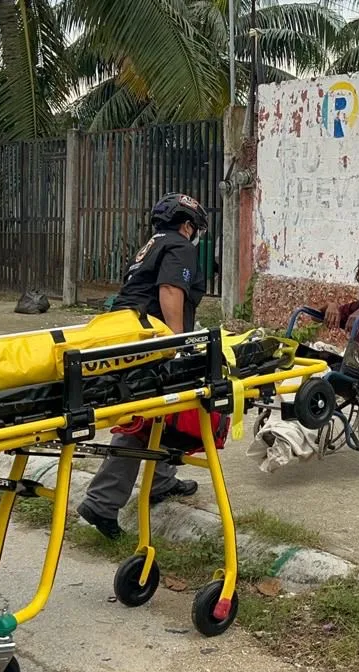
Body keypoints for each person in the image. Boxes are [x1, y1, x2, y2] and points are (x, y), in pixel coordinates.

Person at [76, 192, 209, 539]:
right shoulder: (180, 246)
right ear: (187, 225)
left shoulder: (151, 245)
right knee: (142, 417)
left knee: (162, 407)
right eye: (195, 228)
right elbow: (170, 289)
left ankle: (161, 480)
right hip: (148, 339)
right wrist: (176, 341)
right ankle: (101, 502)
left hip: (126, 333)